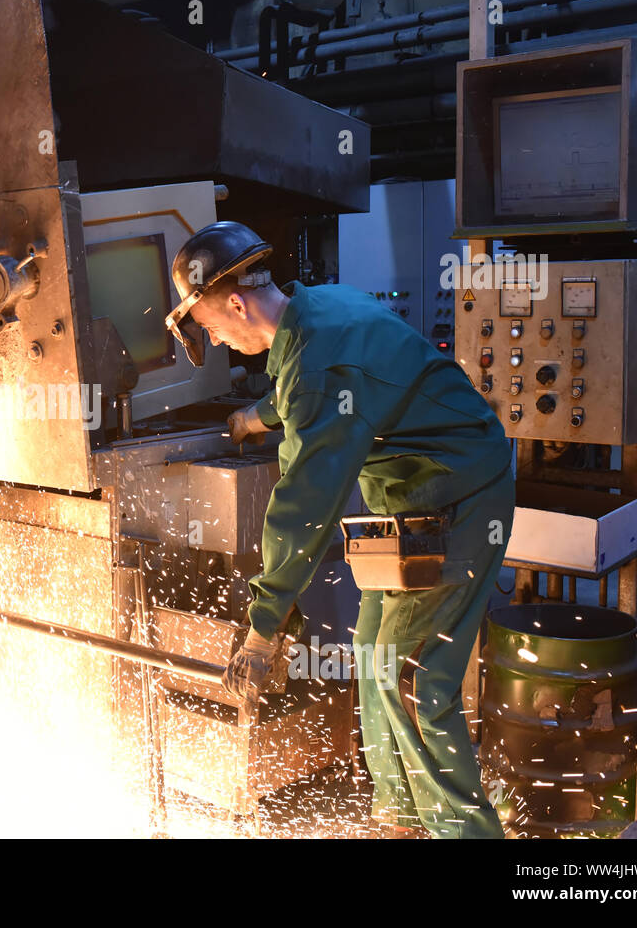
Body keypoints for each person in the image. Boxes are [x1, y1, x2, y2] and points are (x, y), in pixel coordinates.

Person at [166, 221, 514, 839]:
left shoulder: (318, 369)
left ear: (238, 304)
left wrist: (262, 629)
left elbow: (304, 504)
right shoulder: (318, 306)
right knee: (373, 652)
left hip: (460, 499)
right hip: (414, 501)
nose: (215, 338)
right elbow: (336, 370)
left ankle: (466, 834)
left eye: (212, 327)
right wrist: (261, 414)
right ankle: (401, 822)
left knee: (413, 677)